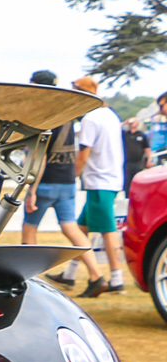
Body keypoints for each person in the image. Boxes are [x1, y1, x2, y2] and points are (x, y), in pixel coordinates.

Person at [23, 71, 103, 290]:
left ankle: (31, 282)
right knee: (71, 228)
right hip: (67, 181)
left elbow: (40, 156)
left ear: (34, 85)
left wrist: (31, 190)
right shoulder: (68, 112)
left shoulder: (44, 115)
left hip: (46, 181)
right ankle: (97, 275)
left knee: (29, 229)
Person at [72, 76, 127, 296]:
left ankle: (116, 278)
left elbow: (84, 153)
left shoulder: (90, 119)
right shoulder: (110, 115)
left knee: (107, 229)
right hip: (110, 178)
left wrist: (73, 175)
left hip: (99, 180)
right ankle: (70, 272)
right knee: (81, 229)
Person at [122, 116, 151, 188]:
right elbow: (117, 128)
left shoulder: (141, 135)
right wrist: (126, 122)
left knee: (139, 180)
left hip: (138, 162)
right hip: (127, 162)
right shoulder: (125, 134)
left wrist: (149, 159)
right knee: (128, 181)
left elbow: (146, 148)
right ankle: (127, 196)